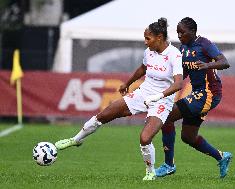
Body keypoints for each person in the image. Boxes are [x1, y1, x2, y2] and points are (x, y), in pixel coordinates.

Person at [55, 17, 183, 181]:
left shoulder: (174, 55)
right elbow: (143, 68)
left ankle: (150, 172)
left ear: (159, 37)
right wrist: (127, 83)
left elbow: (179, 84)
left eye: (148, 38)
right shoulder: (149, 52)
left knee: (145, 138)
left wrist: (158, 96)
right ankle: (75, 139)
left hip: (162, 100)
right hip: (142, 93)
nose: (145, 42)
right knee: (103, 115)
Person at [155, 17, 232, 178]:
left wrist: (208, 65)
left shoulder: (204, 44)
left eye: (182, 32)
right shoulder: (183, 48)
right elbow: (185, 72)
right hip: (197, 93)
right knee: (188, 137)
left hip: (209, 93)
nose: (179, 35)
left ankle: (169, 165)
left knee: (166, 117)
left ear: (193, 31)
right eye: (177, 32)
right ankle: (221, 156)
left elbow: (224, 62)